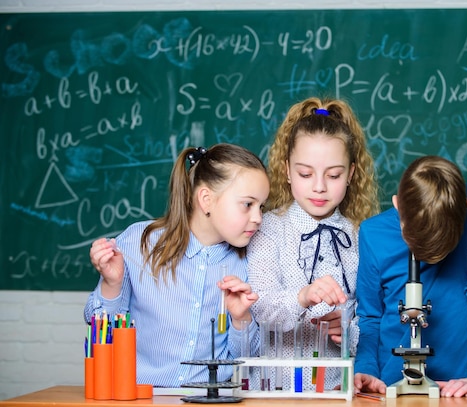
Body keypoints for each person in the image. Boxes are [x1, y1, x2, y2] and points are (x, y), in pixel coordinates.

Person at [84, 143, 270, 387]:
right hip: (140, 399)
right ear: (206, 199)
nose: (257, 218)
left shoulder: (249, 262)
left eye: (261, 207)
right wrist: (112, 284)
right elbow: (101, 334)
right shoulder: (140, 243)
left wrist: (240, 318)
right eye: (248, 204)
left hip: (208, 401)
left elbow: (245, 358)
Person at [246, 97, 379, 390]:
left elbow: (372, 317)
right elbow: (260, 306)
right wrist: (303, 295)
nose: (319, 186)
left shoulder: (361, 236)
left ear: (351, 174)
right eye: (306, 174)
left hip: (336, 389)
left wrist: (348, 331)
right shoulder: (268, 228)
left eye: (333, 175)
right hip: (273, 392)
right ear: (287, 171)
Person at [354, 155, 467, 398]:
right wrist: (366, 369)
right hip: (389, 382)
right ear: (396, 205)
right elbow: (370, 315)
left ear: (465, 207)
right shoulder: (373, 234)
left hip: (460, 385)